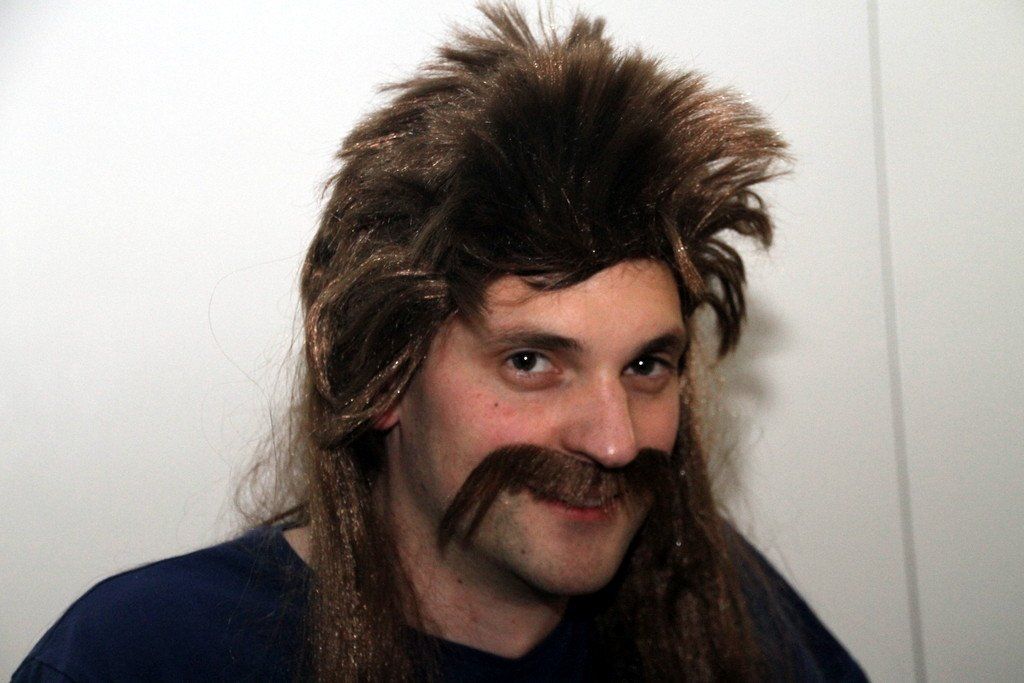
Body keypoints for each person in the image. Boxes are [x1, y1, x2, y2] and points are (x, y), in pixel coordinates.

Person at [14, 4, 867, 681]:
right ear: (382, 375)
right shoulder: (146, 654)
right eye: (531, 362)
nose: (614, 440)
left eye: (646, 364)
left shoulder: (721, 613)